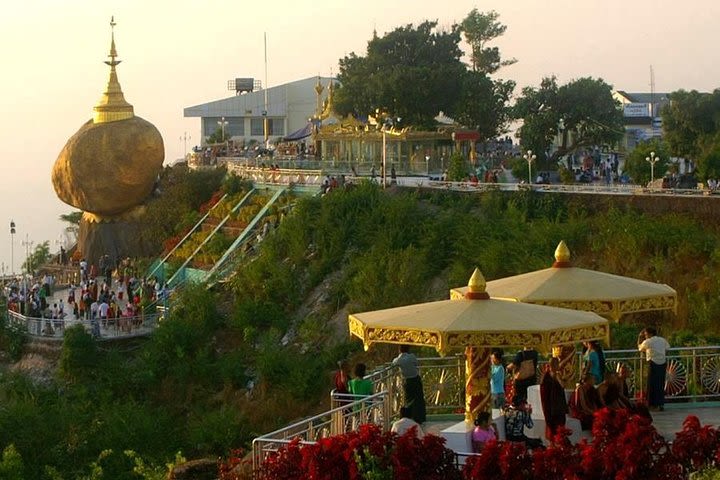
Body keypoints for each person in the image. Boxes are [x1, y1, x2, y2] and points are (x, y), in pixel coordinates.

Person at [638, 327, 670, 411]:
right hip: (662, 363)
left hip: (653, 363)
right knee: (660, 384)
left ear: (650, 334)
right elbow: (667, 348)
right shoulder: (662, 340)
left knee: (651, 385)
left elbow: (640, 348)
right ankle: (660, 403)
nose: (645, 336)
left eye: (646, 334)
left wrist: (639, 338)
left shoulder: (648, 341)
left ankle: (651, 404)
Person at [392, 345, 426, 424]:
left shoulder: (399, 360)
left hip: (407, 381)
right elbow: (416, 363)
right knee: (419, 399)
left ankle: (410, 417)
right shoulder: (412, 357)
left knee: (408, 400)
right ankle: (420, 418)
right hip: (416, 379)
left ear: (400, 350)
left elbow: (393, 363)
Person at [540, 357, 568, 442]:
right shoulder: (546, 375)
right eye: (556, 364)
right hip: (550, 405)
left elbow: (563, 385)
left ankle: (558, 442)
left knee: (559, 425)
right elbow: (543, 389)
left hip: (558, 405)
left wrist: (557, 377)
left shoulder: (558, 375)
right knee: (552, 425)